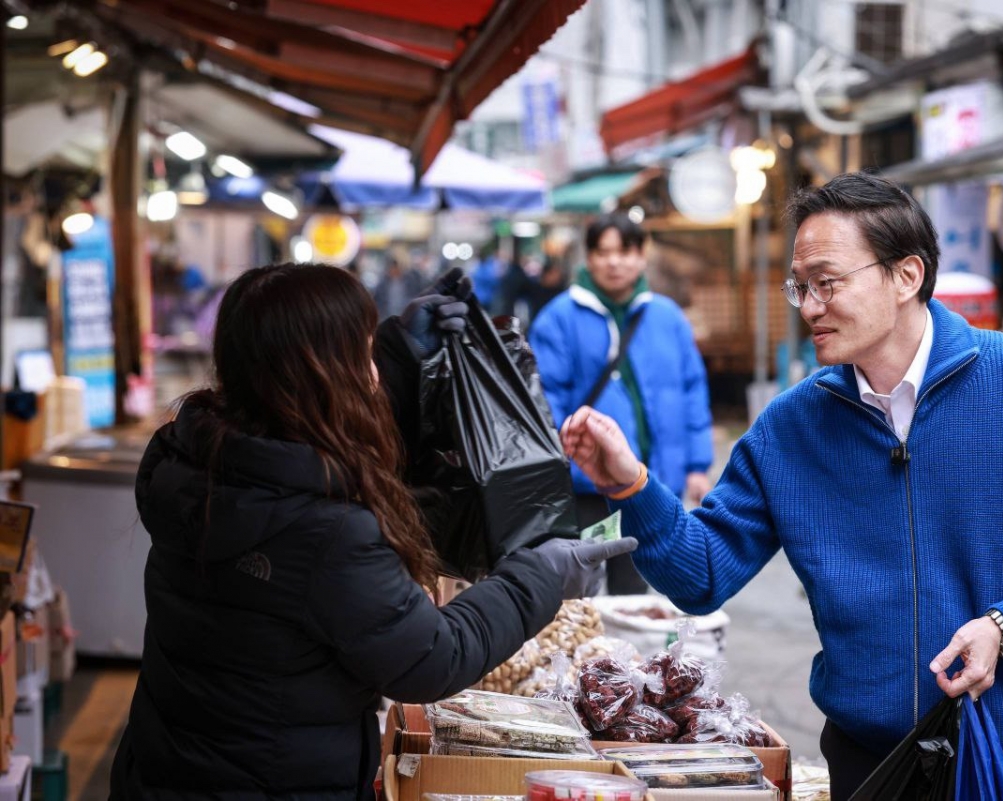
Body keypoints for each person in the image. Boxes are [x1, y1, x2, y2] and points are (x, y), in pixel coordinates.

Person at [560, 173, 1003, 799]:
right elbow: (701, 573)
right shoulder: (793, 424)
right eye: (800, 286)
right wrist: (630, 484)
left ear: (906, 276)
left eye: (827, 283)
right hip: (869, 762)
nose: (808, 306)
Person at [110, 263, 634, 799]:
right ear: (321, 372)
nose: (374, 374)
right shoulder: (325, 527)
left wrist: (401, 351)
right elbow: (430, 658)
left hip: (163, 769)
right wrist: (537, 576)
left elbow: (321, 422)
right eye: (362, 355)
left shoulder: (198, 458)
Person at [531, 214, 714, 595]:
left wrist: (697, 466)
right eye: (604, 252)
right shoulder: (558, 319)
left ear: (641, 256)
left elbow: (692, 390)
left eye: (625, 252)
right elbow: (544, 401)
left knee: (636, 591)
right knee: (579, 597)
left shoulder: (667, 317)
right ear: (589, 257)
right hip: (584, 488)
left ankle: (626, 659)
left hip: (649, 483)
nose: (614, 262)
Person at [373, 254, 428, 320]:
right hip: (388, 316)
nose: (393, 271)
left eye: (395, 268)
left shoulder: (410, 281)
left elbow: (416, 296)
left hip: (405, 314)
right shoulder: (383, 284)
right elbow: (378, 300)